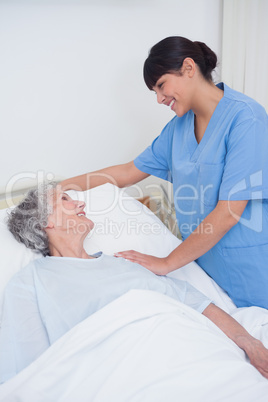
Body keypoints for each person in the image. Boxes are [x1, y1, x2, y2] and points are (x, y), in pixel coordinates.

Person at [60, 36, 268, 310]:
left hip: (252, 271)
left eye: (161, 86)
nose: (159, 99)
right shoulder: (178, 129)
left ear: (189, 68)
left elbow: (229, 211)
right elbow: (127, 172)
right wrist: (59, 186)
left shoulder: (246, 119)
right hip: (203, 270)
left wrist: (167, 263)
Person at [1, 182, 268, 384]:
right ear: (45, 221)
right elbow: (25, 369)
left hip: (190, 351)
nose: (81, 205)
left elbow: (198, 304)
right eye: (66, 200)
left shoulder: (126, 262)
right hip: (122, 373)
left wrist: (250, 343)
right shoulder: (30, 283)